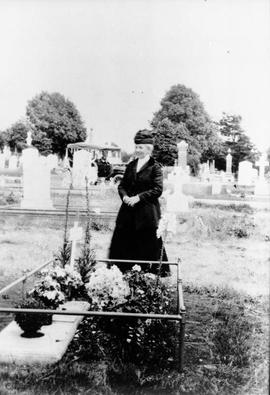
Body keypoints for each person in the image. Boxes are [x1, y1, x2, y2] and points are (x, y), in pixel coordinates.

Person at [108, 129, 170, 276]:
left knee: (147, 243)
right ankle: (122, 272)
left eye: (141, 147)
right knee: (124, 241)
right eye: (136, 147)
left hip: (147, 213)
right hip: (128, 212)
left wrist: (138, 197)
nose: (137, 150)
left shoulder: (155, 167)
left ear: (149, 148)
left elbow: (157, 189)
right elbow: (122, 186)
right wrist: (124, 197)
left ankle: (148, 274)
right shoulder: (131, 165)